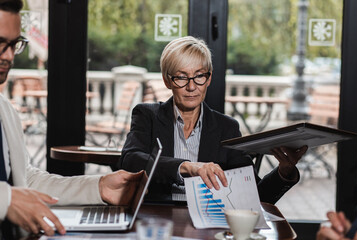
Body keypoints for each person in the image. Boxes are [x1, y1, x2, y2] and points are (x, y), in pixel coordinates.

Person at [0, 0, 144, 237]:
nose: (8, 56)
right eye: (0, 43)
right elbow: (13, 194)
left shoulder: (6, 111)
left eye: (14, 44)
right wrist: (7, 199)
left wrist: (99, 187)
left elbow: (25, 180)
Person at [117, 35, 308, 204]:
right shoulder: (147, 115)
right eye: (182, 77)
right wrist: (186, 167)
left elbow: (255, 195)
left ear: (208, 79)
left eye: (199, 76)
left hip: (210, 222)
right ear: (167, 80)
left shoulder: (227, 128)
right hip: (158, 217)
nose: (192, 87)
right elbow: (130, 160)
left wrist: (284, 171)